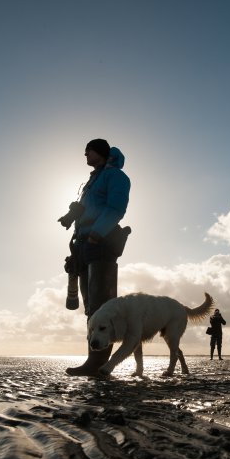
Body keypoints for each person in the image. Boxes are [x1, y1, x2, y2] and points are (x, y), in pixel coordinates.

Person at [59, 138, 131, 376]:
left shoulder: (116, 177)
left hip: (100, 243)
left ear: (99, 152)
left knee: (101, 304)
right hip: (82, 244)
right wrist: (70, 217)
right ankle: (94, 358)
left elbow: (115, 208)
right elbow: (86, 207)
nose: (85, 156)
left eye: (87, 151)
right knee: (90, 305)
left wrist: (97, 233)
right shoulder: (93, 180)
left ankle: (98, 363)